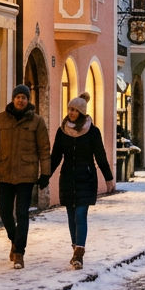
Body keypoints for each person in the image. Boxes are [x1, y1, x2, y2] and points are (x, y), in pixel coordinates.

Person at [0, 84, 51, 270]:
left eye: (24, 98)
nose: (20, 100)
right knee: (4, 212)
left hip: (27, 174)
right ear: (13, 99)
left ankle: (19, 253)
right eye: (18, 97)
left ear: (28, 100)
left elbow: (44, 149)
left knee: (22, 213)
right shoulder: (1, 119)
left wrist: (45, 174)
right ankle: (14, 239)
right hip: (5, 173)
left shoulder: (37, 121)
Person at [49, 92, 114, 270]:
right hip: (68, 177)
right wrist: (45, 176)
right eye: (69, 109)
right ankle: (75, 248)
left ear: (82, 112)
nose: (71, 112)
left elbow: (100, 156)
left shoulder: (92, 131)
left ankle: (79, 252)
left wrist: (108, 178)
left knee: (80, 214)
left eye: (75, 110)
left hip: (86, 177)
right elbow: (55, 156)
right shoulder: (62, 131)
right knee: (71, 216)